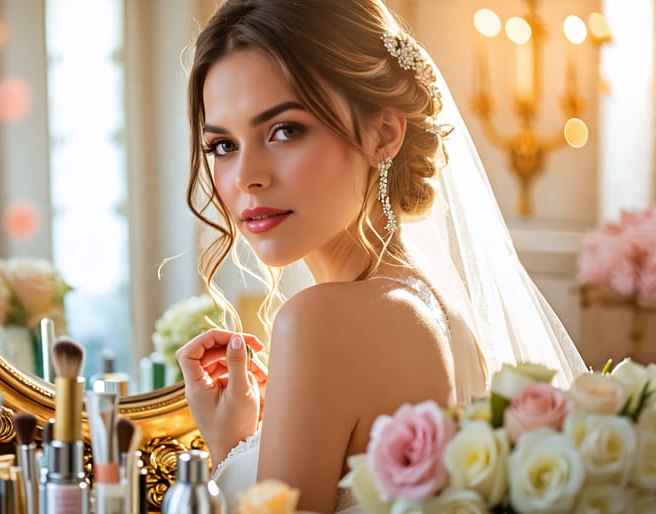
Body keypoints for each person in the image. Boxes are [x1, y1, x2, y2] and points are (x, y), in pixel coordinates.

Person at [175, 0, 588, 512]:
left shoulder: (319, 321)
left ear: (385, 133)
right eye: (222, 145)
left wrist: (227, 453)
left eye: (285, 130)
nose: (245, 177)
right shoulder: (447, 318)